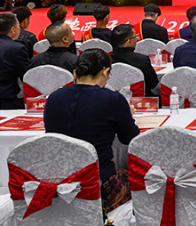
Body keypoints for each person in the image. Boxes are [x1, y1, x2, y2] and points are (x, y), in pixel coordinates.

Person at [44, 49, 140, 214]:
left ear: (76, 72)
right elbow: (130, 138)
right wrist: (127, 116)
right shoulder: (113, 99)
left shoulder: (54, 97)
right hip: (99, 183)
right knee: (142, 178)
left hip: (59, 179)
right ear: (105, 72)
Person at [110, 24, 159, 93]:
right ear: (128, 42)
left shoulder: (106, 60)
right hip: (140, 97)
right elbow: (153, 84)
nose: (137, 39)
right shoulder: (142, 60)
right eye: (135, 37)